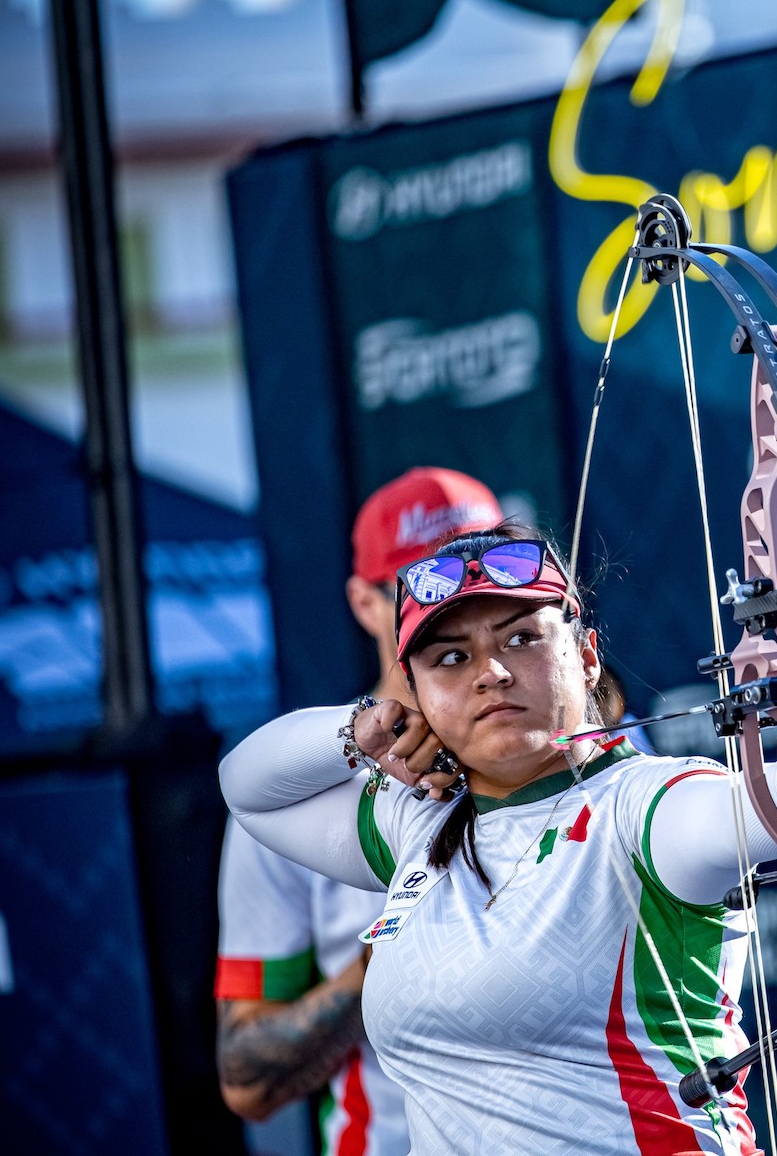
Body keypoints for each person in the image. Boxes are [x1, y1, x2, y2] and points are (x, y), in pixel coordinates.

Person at [220, 522, 777, 1156]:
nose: (493, 673)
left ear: (586, 656)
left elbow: (734, 812)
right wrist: (362, 727)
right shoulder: (413, 822)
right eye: (452, 658)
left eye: (521, 640)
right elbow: (245, 784)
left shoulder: (641, 801)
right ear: (415, 691)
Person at [215, 467, 503, 1152]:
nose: (457, 602)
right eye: (421, 585)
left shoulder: (586, 746)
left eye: (483, 569)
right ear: (366, 604)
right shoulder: (304, 780)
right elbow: (248, 1079)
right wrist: (393, 956)